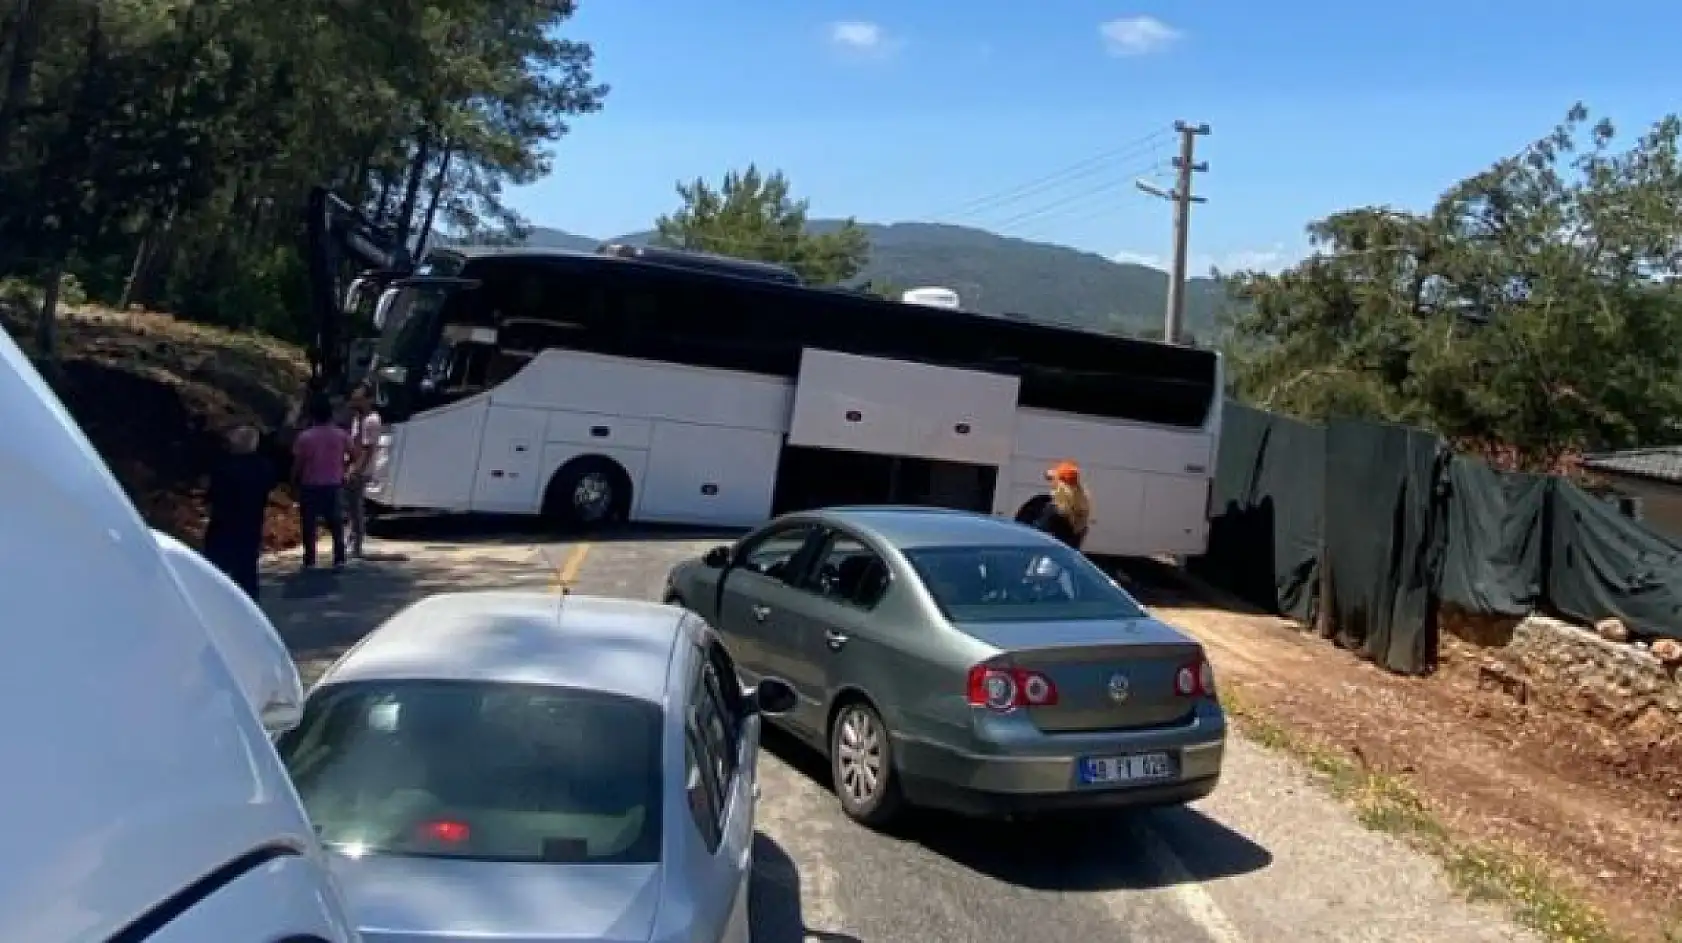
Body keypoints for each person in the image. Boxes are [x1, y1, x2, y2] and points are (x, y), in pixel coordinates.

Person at [203, 424, 275, 600]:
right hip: (251, 521)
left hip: (223, 524)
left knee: (216, 568)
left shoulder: (224, 468)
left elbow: (213, 496)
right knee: (247, 568)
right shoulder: (263, 467)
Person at [292, 394, 352, 571]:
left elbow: (298, 463)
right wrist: (344, 468)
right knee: (335, 522)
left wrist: (293, 479)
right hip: (334, 483)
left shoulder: (305, 437)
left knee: (309, 523)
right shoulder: (341, 435)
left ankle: (310, 559)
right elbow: (354, 454)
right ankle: (339, 557)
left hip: (310, 484)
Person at [345, 383, 382, 558]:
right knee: (351, 506)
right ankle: (351, 539)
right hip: (353, 464)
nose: (355, 401)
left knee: (356, 506)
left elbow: (368, 449)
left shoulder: (371, 420)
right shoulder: (357, 418)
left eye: (359, 398)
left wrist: (356, 469)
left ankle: (357, 544)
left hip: (361, 468)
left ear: (369, 400)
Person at [1032, 460, 1092, 550]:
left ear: (1060, 485)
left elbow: (1036, 533)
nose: (1052, 483)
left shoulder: (1054, 510)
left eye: (1054, 479)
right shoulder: (1081, 510)